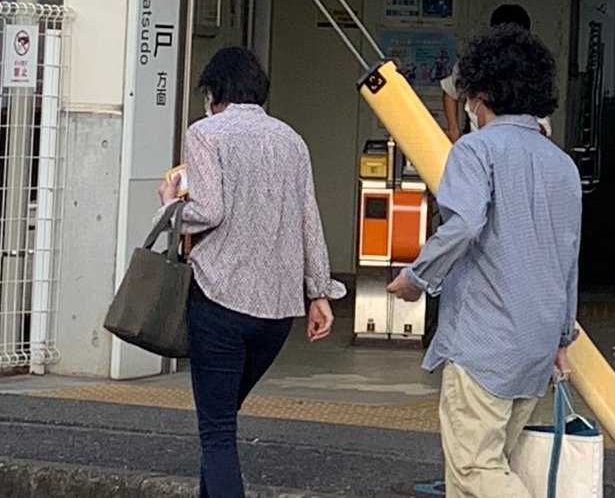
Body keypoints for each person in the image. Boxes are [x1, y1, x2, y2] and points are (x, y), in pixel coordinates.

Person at [388, 24, 582, 498]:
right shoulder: (562, 165)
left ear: (482, 96)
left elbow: (464, 224)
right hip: (536, 345)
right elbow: (568, 258)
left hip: (485, 341)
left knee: (475, 471)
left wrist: (416, 277)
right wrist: (561, 337)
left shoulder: (475, 150)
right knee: (481, 474)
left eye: (470, 97)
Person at [157, 47, 345, 498]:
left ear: (214, 92)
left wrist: (169, 206)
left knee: (217, 432)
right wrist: (319, 293)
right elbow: (309, 218)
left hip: (219, 299)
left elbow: (208, 211)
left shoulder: (206, 133)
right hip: (277, 313)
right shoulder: (291, 140)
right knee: (220, 421)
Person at [441, 4, 551, 140]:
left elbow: (542, 125)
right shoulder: (474, 61)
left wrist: (529, 131)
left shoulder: (533, 66)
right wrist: (453, 130)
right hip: (479, 140)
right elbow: (450, 90)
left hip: (519, 143)